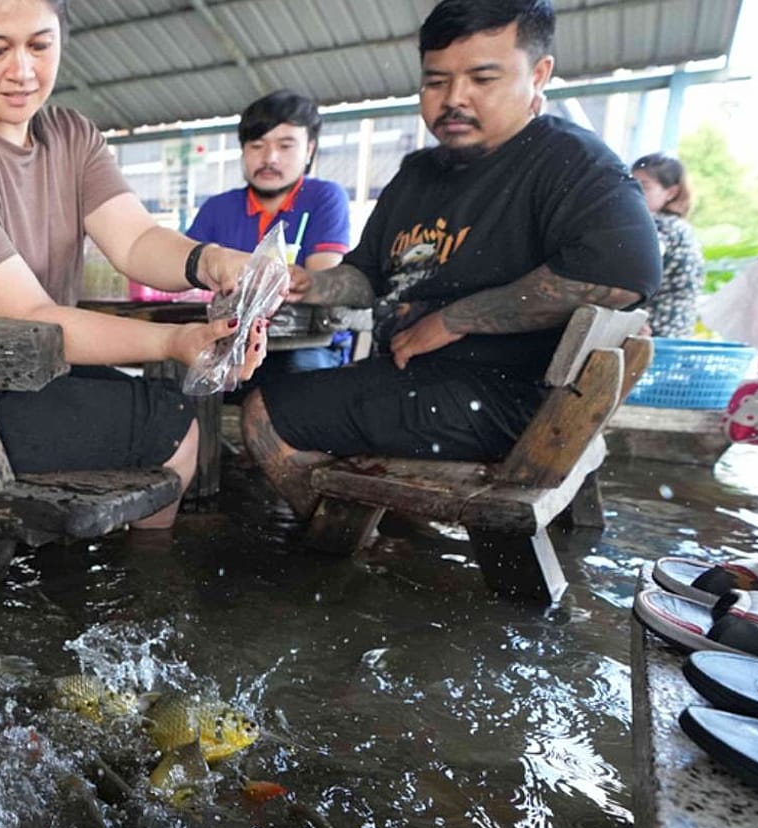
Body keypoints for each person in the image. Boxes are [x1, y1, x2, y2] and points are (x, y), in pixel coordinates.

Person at [240, 0, 660, 515]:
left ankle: (347, 546)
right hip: (416, 382)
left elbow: (623, 274)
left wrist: (456, 318)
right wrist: (309, 284)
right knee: (291, 392)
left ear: (539, 75)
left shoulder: (570, 161)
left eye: (483, 79)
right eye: (436, 82)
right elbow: (368, 275)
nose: (454, 99)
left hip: (509, 399)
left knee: (264, 411)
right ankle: (385, 527)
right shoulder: (418, 173)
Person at [0, 0, 269, 530]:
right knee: (174, 423)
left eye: (40, 46)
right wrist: (172, 342)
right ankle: (147, 584)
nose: (22, 71)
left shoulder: (70, 135)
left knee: (160, 405)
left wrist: (210, 260)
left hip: (33, 370)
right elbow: (29, 316)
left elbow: (135, 239)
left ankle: (121, 571)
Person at [187, 89, 353, 374]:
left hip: (306, 344)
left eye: (286, 146)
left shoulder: (325, 198)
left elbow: (323, 276)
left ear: (309, 149)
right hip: (227, 341)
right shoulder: (217, 208)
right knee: (172, 378)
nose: (270, 158)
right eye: (256, 145)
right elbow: (182, 276)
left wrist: (305, 280)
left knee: (296, 385)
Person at [631, 153, 706, 338]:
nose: (634, 191)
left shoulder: (661, 227)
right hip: (678, 331)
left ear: (671, 192)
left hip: (653, 331)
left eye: (644, 186)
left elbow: (632, 271)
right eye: (631, 184)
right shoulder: (679, 226)